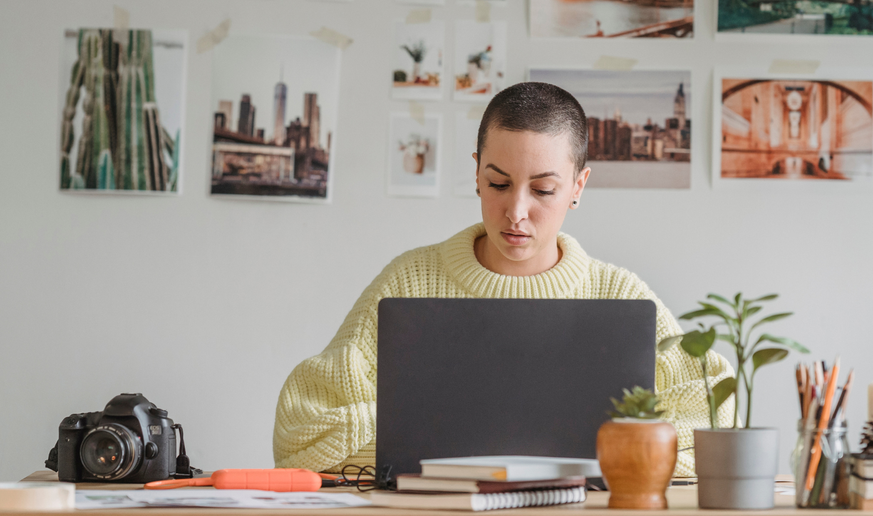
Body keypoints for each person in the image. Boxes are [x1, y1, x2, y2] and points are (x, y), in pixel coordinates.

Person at [273, 82, 734, 477]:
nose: (516, 212)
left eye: (544, 190)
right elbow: (300, 435)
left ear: (578, 186)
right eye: (498, 184)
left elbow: (716, 416)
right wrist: (481, 426)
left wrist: (432, 435)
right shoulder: (409, 282)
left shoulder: (619, 295)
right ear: (476, 173)